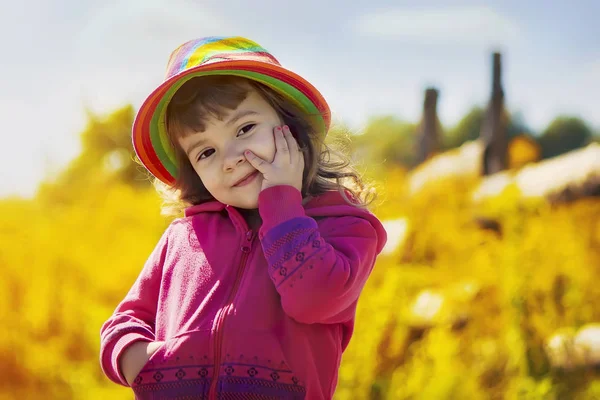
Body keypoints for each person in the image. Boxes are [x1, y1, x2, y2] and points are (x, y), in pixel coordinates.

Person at [99, 36, 387, 400]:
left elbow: (313, 299)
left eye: (245, 129)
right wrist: (141, 360)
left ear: (290, 125)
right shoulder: (183, 237)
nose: (231, 158)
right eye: (205, 152)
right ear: (192, 171)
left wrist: (281, 201)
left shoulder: (343, 224)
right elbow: (124, 322)